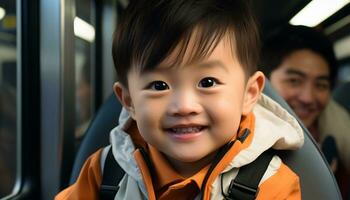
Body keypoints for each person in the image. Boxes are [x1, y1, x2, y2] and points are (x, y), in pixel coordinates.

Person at [56, 0, 304, 199]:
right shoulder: (105, 172)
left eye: (207, 83)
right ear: (129, 102)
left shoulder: (271, 185)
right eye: (159, 86)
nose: (184, 106)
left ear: (249, 94)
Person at [260, 25, 350, 196]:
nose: (308, 98)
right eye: (294, 81)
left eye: (321, 85)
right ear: (264, 83)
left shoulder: (335, 131)